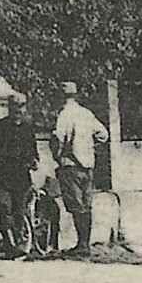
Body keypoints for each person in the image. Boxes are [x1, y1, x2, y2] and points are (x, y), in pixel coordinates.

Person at [51, 81, 109, 257]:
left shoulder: (64, 115)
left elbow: (58, 139)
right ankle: (85, 244)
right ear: (75, 95)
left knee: (76, 205)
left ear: (61, 96)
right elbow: (103, 135)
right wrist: (89, 147)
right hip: (88, 166)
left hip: (71, 165)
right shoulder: (86, 113)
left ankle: (82, 245)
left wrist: (59, 156)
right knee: (86, 204)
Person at [0, 93, 39, 259]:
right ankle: (9, 245)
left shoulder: (28, 128)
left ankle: (20, 244)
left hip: (21, 178)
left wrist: (34, 161)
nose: (18, 109)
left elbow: (33, 151)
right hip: (2, 177)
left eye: (22, 105)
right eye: (15, 105)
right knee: (4, 209)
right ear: (9, 107)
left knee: (19, 212)